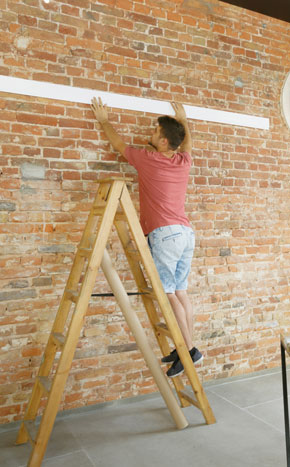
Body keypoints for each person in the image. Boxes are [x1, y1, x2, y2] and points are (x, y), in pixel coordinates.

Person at [90, 97, 201, 378]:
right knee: (181, 292)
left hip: (165, 234)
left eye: (155, 133)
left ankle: (188, 350)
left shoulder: (149, 160)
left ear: (164, 142)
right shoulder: (183, 160)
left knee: (167, 294)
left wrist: (103, 120)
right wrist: (184, 121)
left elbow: (118, 146)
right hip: (185, 233)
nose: (150, 135)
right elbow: (187, 143)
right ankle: (188, 346)